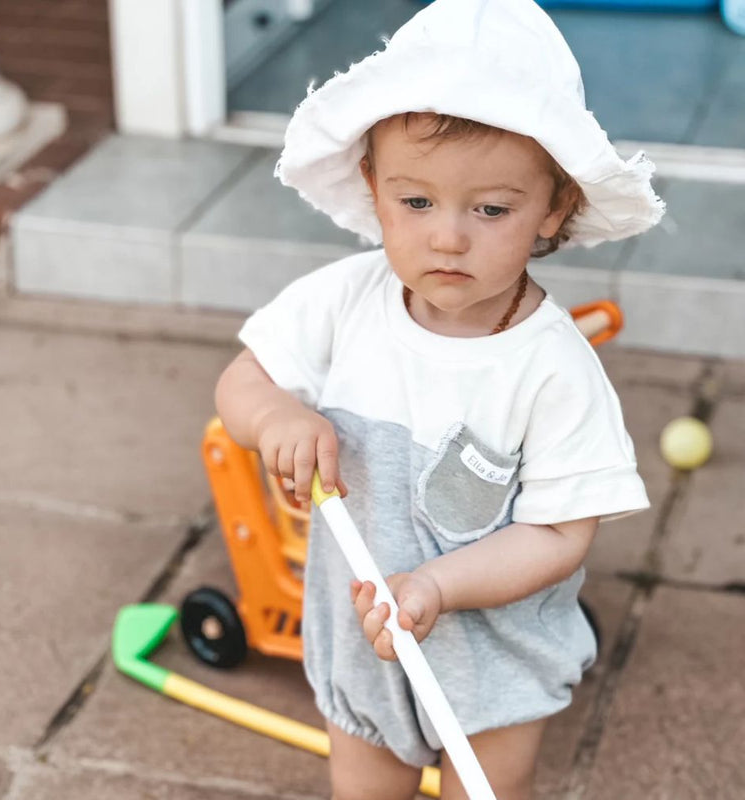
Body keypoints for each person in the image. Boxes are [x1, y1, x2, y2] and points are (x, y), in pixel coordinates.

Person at [215, 1, 664, 797]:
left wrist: (438, 588)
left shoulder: (552, 368)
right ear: (373, 187)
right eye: (415, 202)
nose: (448, 237)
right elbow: (243, 381)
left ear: (554, 208)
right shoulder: (343, 302)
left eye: (491, 209)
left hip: (494, 661)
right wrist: (278, 415)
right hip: (364, 646)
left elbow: (560, 532)